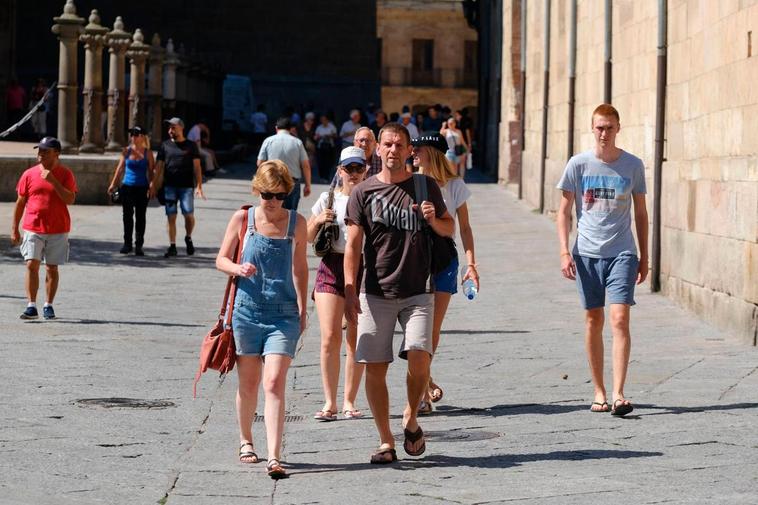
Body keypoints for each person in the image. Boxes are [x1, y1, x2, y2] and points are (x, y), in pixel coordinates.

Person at [344, 123, 455, 464]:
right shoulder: (362, 193)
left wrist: (434, 219)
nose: (393, 150)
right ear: (377, 150)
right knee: (374, 367)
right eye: (387, 144)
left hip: (419, 291)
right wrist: (349, 290)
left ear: (410, 151)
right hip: (375, 291)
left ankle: (410, 415)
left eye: (400, 145)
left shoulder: (425, 186)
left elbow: (449, 228)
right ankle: (385, 440)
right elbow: (352, 244)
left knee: (420, 357)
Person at [215, 160, 308, 479]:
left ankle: (274, 455)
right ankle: (245, 441)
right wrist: (237, 269)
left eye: (280, 195)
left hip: (283, 314)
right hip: (246, 311)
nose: (272, 202)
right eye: (267, 194)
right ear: (257, 190)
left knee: (274, 382)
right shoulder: (243, 219)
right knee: (249, 383)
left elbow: (299, 267)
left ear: (288, 194)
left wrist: (302, 309)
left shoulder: (297, 223)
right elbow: (221, 259)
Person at [556, 103, 648, 417]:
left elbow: (641, 214)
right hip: (587, 253)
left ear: (618, 128)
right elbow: (563, 212)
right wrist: (564, 251)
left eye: (609, 127)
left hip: (622, 251)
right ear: (592, 128)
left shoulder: (633, 165)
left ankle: (620, 393)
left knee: (620, 319)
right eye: (599, 127)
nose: (604, 133)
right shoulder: (578, 164)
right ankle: (599, 390)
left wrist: (645, 256)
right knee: (594, 320)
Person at [411, 133, 479, 414]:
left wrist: (471, 264)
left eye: (418, 149)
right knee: (416, 329)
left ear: (432, 152)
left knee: (432, 329)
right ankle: (424, 381)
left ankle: (422, 392)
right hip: (414, 259)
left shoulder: (455, 186)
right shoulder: (410, 182)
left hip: (444, 259)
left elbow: (464, 228)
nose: (413, 153)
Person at [308, 146, 368, 421]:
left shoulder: (373, 198)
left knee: (354, 337)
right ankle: (329, 402)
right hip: (331, 266)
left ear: (366, 170)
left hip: (364, 268)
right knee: (329, 337)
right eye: (349, 168)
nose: (354, 174)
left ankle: (349, 400)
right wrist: (319, 220)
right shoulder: (327, 198)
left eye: (359, 168)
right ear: (340, 171)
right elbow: (307, 236)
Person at [10, 137, 77, 320]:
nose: (40, 154)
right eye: (39, 150)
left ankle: (48, 304)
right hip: (33, 226)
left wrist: (54, 181)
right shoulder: (29, 174)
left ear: (57, 153)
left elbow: (70, 199)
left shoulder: (66, 174)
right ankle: (31, 305)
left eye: (45, 151)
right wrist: (15, 228)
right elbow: (20, 202)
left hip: (58, 228)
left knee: (51, 268)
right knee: (31, 264)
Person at [150, 117, 205, 258]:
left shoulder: (191, 146)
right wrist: (153, 185)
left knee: (188, 215)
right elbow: (159, 167)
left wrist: (199, 185)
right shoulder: (165, 145)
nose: (170, 131)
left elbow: (197, 167)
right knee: (171, 217)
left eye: (173, 127)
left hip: (186, 187)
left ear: (181, 128)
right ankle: (172, 245)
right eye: (169, 128)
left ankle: (188, 237)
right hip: (170, 187)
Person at [107, 126, 155, 255]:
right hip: (127, 187)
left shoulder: (148, 153)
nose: (133, 136)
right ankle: (127, 244)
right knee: (127, 216)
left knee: (140, 217)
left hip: (142, 188)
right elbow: (120, 169)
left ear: (142, 136)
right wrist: (112, 184)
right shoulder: (126, 151)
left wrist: (152, 185)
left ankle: (139, 245)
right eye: (132, 134)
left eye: (136, 134)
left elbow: (151, 172)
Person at [257, 117, 312, 210]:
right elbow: (305, 165)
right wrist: (307, 185)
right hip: (292, 183)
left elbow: (260, 163)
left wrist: (261, 180)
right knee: (291, 215)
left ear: (276, 128)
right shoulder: (297, 142)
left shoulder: (268, 141)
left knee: (273, 212)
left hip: (272, 181)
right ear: (290, 129)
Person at [314, 114, 338, 182]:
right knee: (321, 162)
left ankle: (326, 177)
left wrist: (329, 136)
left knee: (328, 162)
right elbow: (315, 137)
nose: (323, 121)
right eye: (322, 120)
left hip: (329, 146)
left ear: (327, 120)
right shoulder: (319, 127)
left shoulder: (332, 126)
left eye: (324, 120)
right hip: (321, 146)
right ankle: (321, 176)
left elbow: (336, 136)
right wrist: (320, 137)